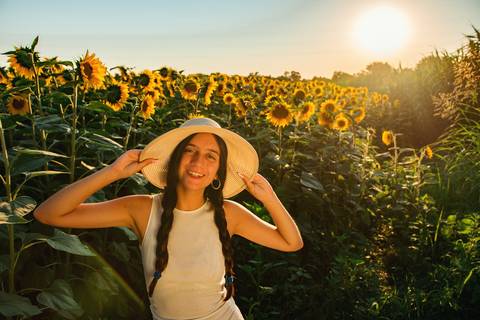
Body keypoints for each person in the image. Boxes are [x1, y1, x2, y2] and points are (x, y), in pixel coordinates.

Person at [34, 117, 304, 320]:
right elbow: (48, 214)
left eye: (211, 156)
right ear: (175, 158)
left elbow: (291, 243)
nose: (199, 162)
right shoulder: (141, 209)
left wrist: (269, 198)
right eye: (190, 150)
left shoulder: (229, 214)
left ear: (217, 171)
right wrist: (113, 173)